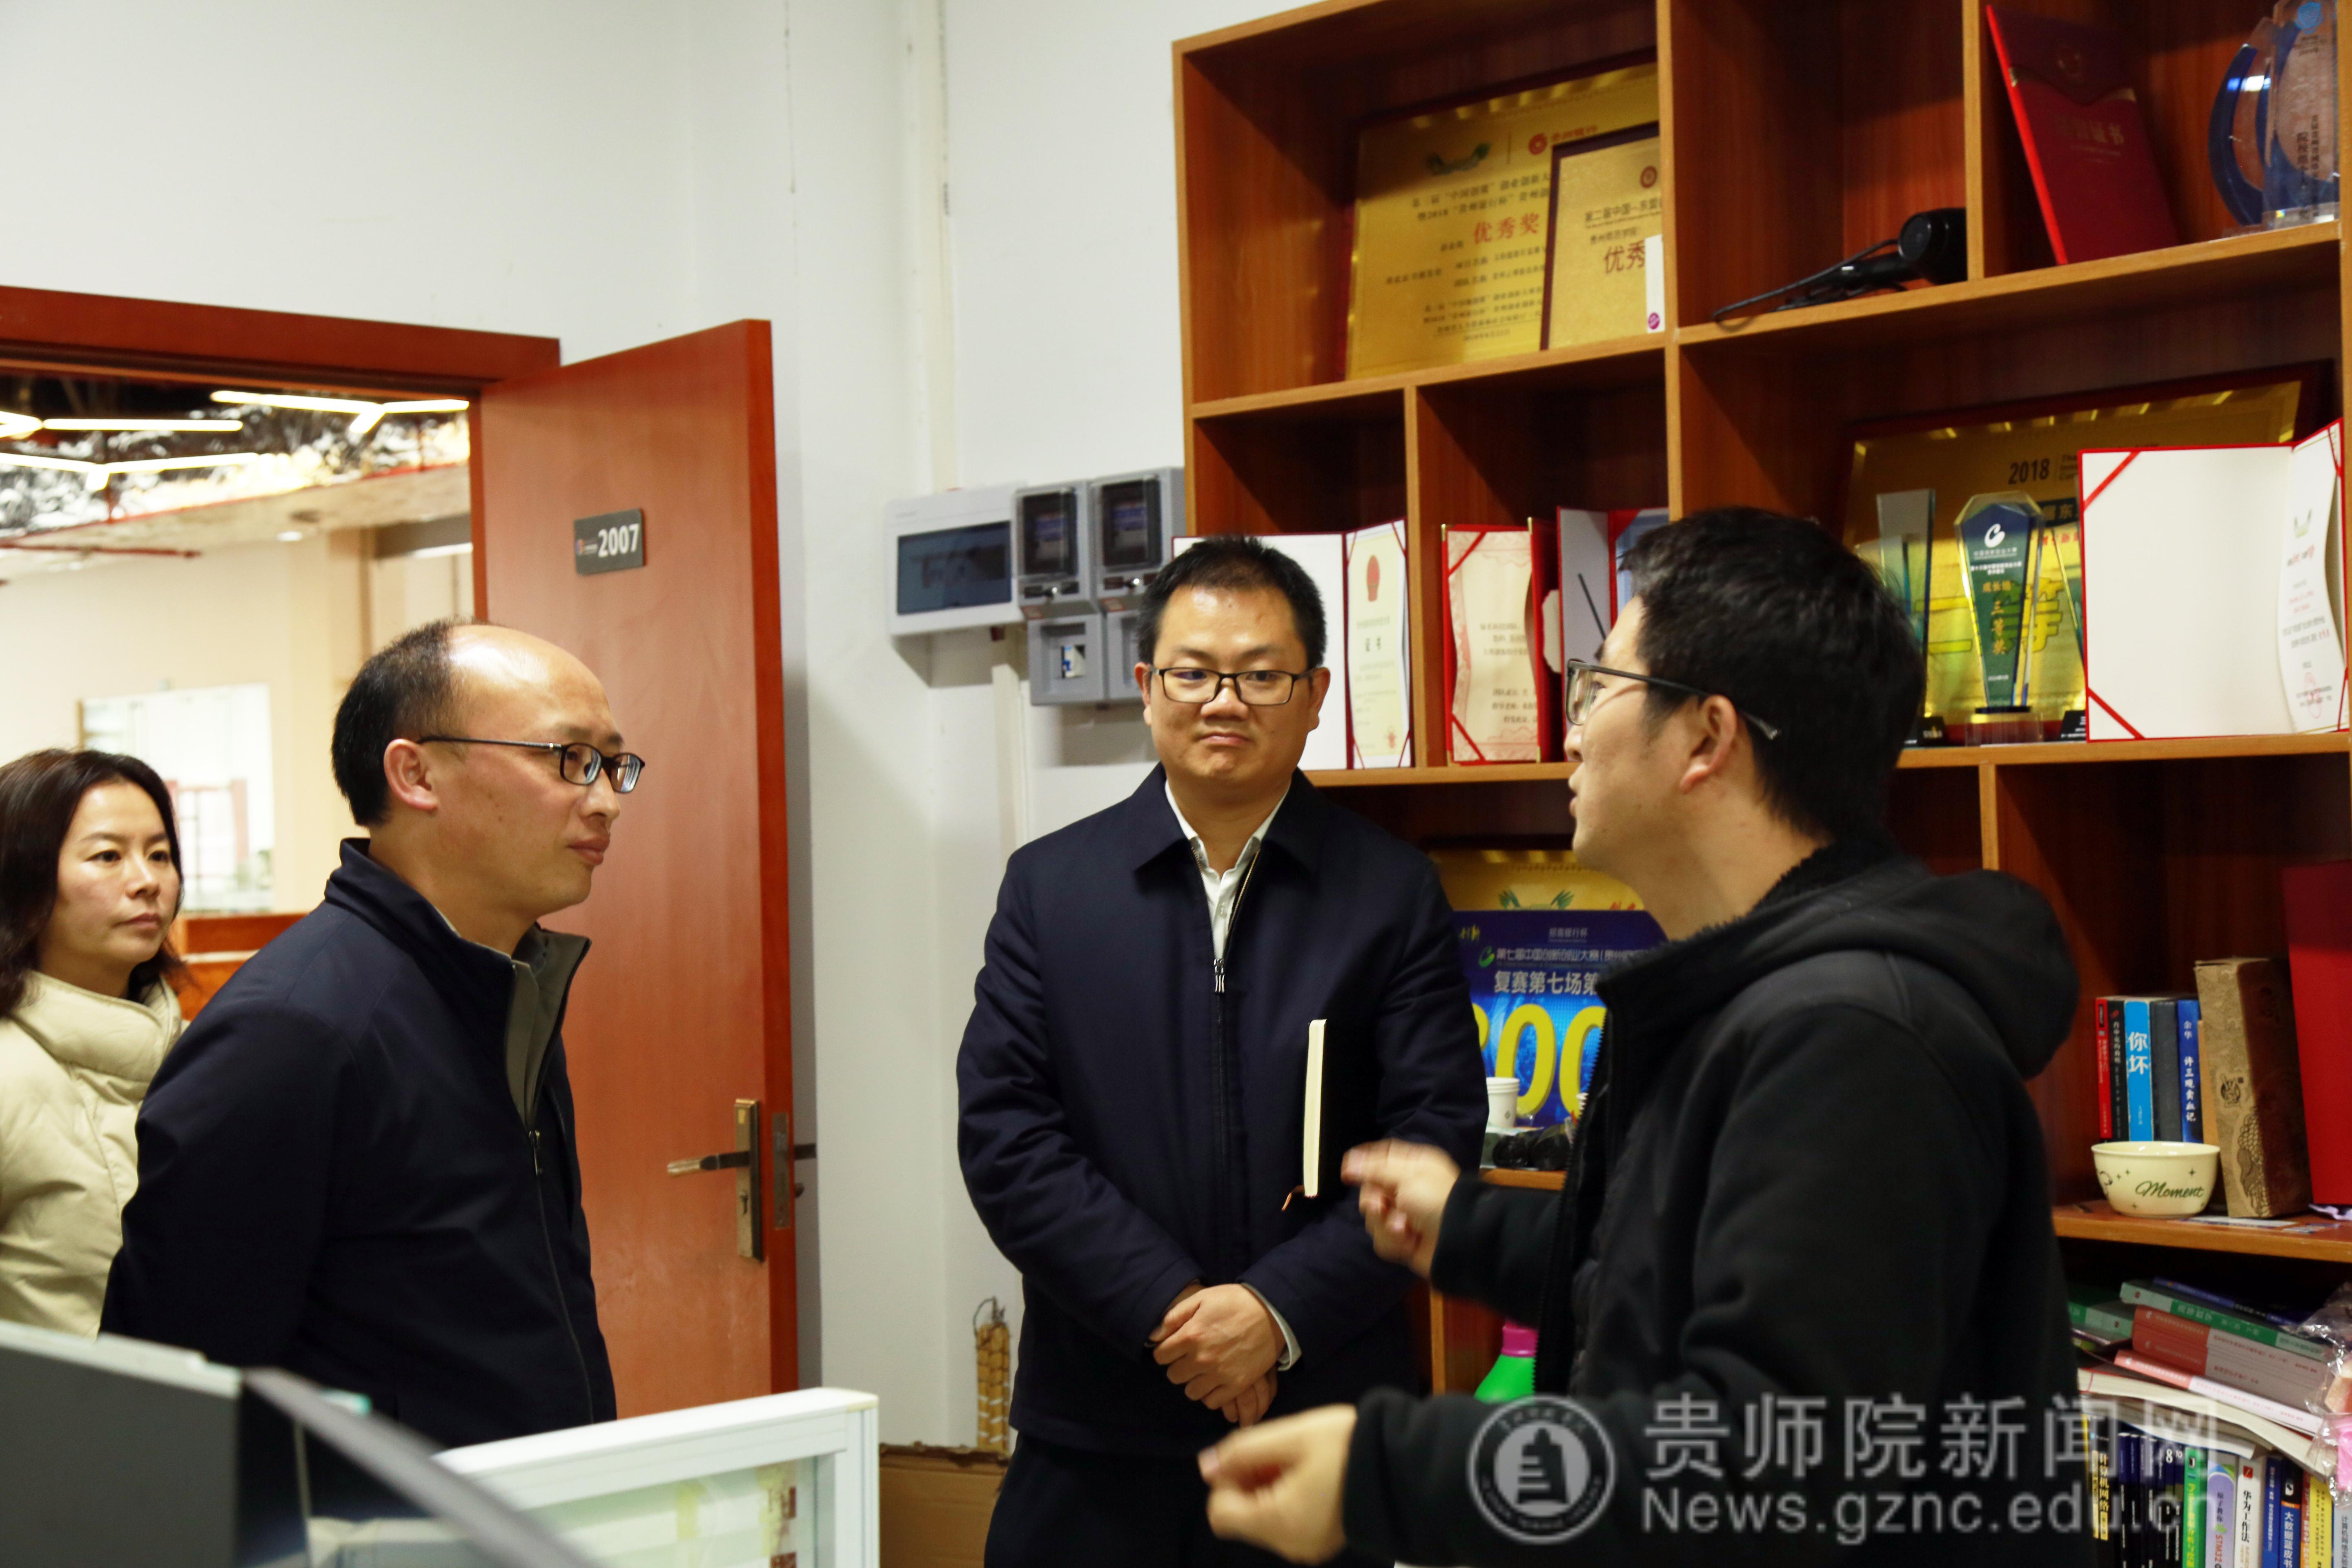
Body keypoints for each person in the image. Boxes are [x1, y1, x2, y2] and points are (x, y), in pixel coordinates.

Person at [1199, 510, 2084, 1566]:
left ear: (1707, 737)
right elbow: (1683, 1270)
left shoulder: (1851, 1039)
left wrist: (1388, 1473)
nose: (1574, 732)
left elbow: (1764, 1465)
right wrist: (1471, 1231)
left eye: (1599, 688)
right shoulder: (1746, 997)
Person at [958, 535, 1488, 1566]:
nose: (1224, 702)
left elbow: (1435, 1137)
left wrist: (1277, 1313)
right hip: (1097, 1427)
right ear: (1147, 686)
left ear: (1316, 693)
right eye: (1193, 673)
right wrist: (1177, 1317)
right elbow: (1008, 1138)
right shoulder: (1051, 889)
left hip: (1321, 1426)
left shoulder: (1390, 893)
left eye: (1261, 675)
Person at [104, 619, 644, 1448]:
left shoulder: (508, 985)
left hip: (519, 1499)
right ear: (415, 773)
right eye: (568, 758)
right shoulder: (294, 1032)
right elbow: (174, 1392)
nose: (604, 799)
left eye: (612, 764)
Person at [0, 749, 185, 1334]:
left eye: (160, 855)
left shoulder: (199, 1049)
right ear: (23, 878)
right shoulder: (11, 1074)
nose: (146, 881)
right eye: (108, 856)